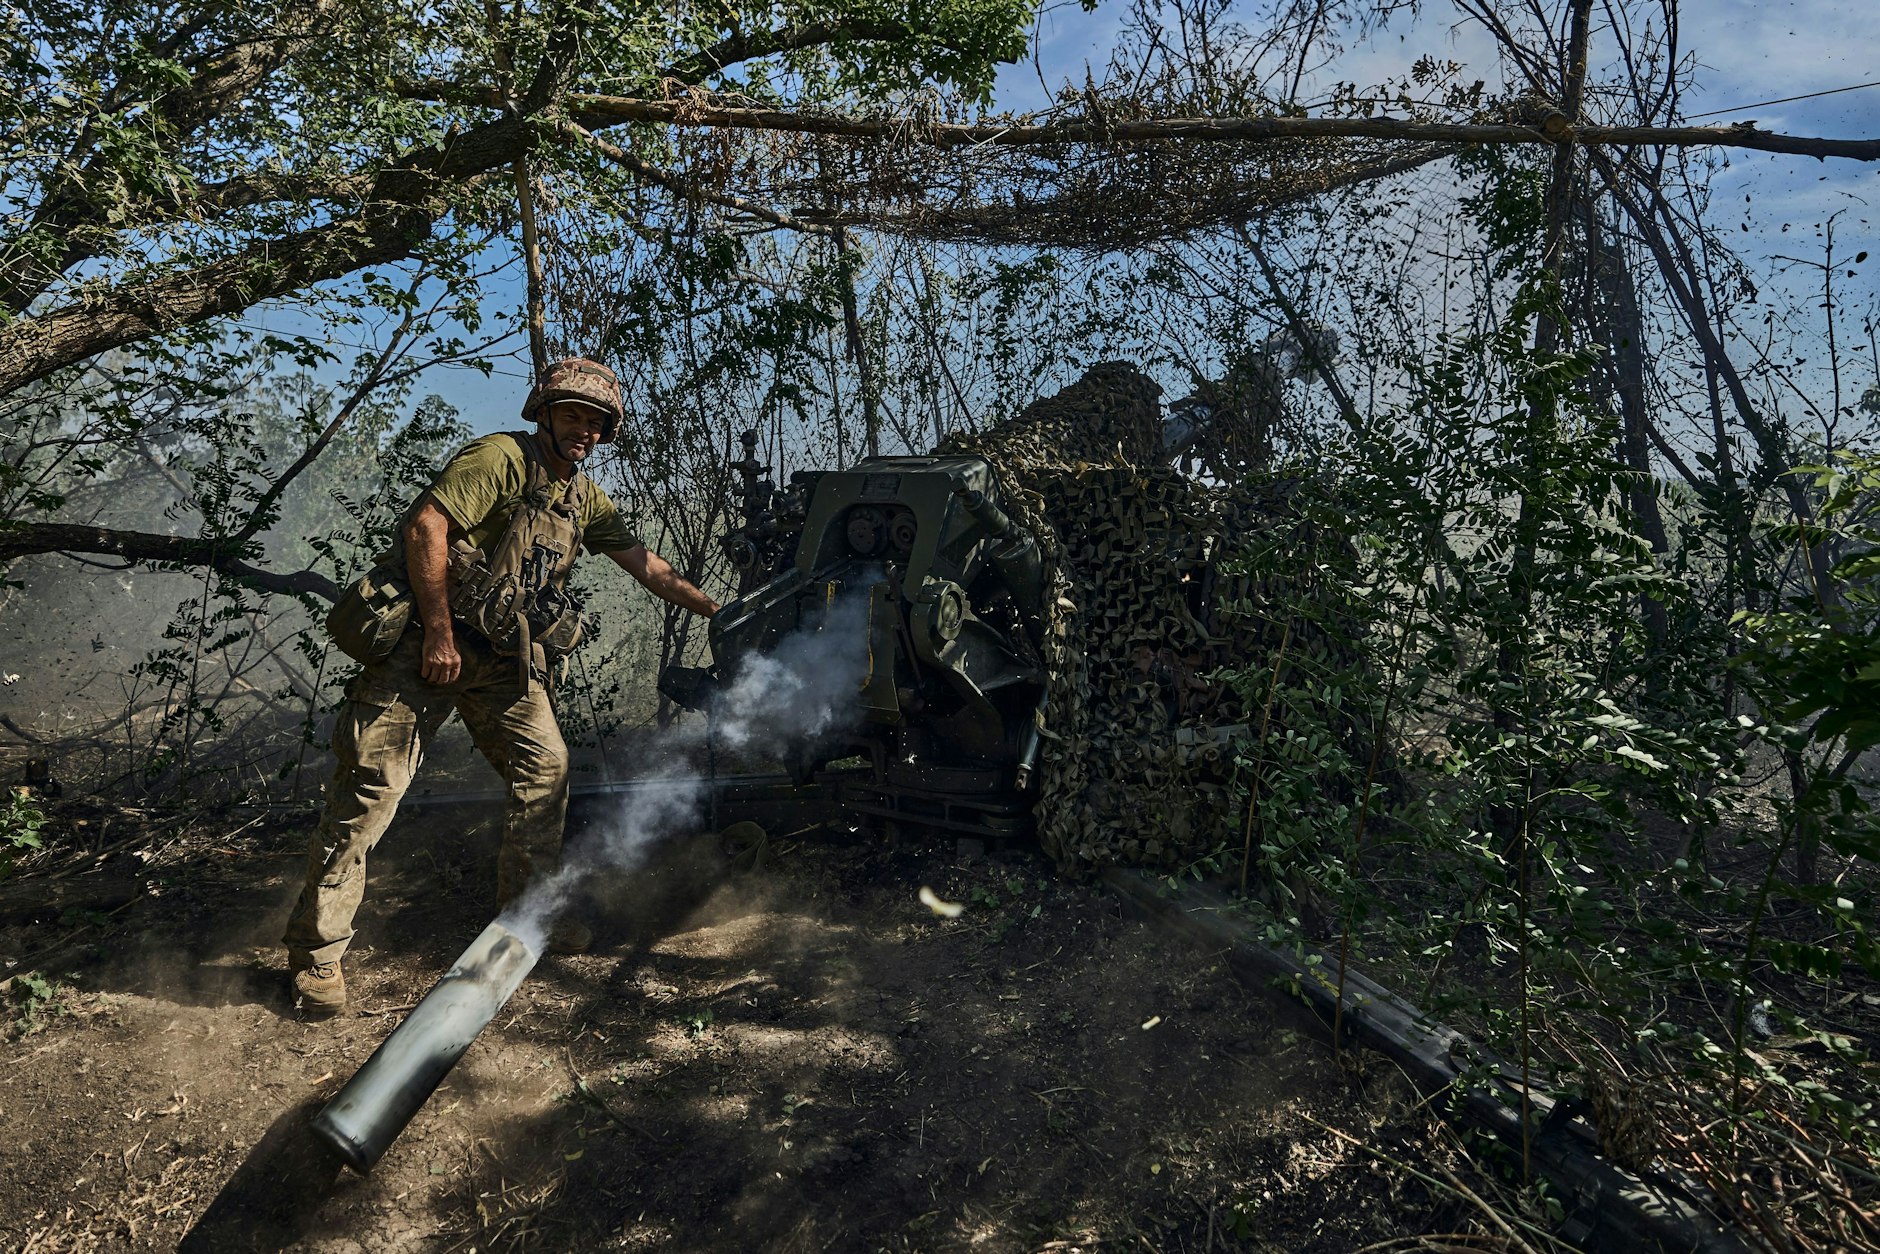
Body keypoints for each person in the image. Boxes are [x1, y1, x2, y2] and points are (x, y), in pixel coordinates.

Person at [284, 357, 718, 1015]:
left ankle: (525, 926)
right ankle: (316, 961)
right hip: (423, 648)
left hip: (502, 661)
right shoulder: (499, 459)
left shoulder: (584, 497)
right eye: (574, 414)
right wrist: (436, 634)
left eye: (597, 422)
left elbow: (647, 567)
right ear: (544, 412)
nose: (585, 430)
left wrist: (720, 610)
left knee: (546, 771)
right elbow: (426, 529)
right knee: (371, 790)